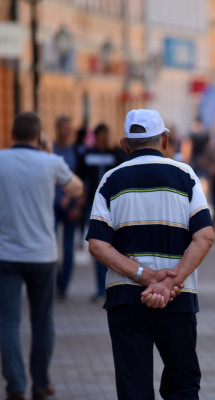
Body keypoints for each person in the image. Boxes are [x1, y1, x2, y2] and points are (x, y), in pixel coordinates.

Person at [86, 109, 214, 399]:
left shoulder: (110, 180)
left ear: (125, 144)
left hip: (126, 299)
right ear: (165, 139)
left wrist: (144, 276)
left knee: (134, 386)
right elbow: (205, 237)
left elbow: (97, 244)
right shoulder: (186, 175)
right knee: (182, 385)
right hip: (178, 297)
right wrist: (170, 282)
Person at [0, 112, 83, 400]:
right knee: (42, 320)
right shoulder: (51, 162)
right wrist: (49, 153)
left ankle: (15, 385)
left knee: (8, 321)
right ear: (39, 136)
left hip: (5, 253)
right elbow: (77, 188)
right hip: (42, 254)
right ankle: (41, 383)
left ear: (12, 134)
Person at [78, 123, 119, 303]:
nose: (103, 139)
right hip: (93, 205)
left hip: (114, 205)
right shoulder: (88, 154)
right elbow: (80, 177)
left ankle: (111, 286)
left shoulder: (115, 154)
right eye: (100, 136)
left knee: (115, 246)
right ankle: (100, 287)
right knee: (98, 245)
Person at [53, 115, 85, 300]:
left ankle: (63, 285)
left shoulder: (76, 151)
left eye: (69, 127)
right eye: (63, 127)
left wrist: (77, 204)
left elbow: (82, 180)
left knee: (67, 246)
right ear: (57, 128)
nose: (67, 131)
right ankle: (55, 280)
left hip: (71, 203)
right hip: (53, 203)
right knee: (51, 245)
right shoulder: (50, 149)